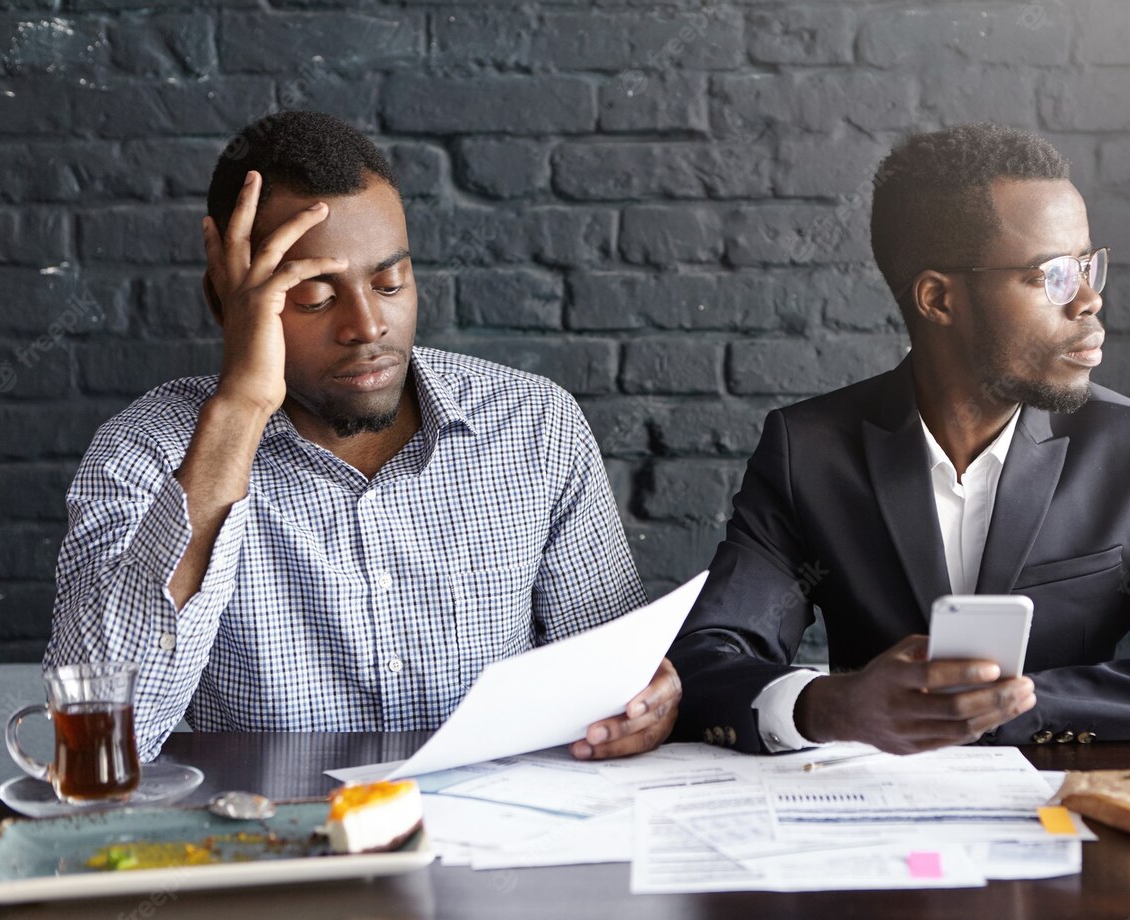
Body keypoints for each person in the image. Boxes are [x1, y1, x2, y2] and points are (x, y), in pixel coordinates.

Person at [44, 111, 680, 762]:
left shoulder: (534, 425)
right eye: (316, 298)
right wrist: (240, 409)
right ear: (225, 296)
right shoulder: (145, 454)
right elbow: (102, 744)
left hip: (494, 841)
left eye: (390, 282)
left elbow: (610, 681)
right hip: (274, 846)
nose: (367, 325)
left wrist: (641, 705)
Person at [668, 122, 1130, 755]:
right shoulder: (810, 452)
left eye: (1086, 266)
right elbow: (704, 662)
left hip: (1064, 819)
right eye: (1052, 274)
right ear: (938, 298)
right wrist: (833, 706)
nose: (1088, 300)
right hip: (873, 827)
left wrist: (1006, 710)